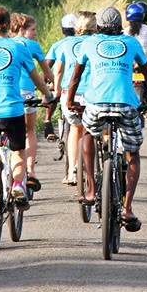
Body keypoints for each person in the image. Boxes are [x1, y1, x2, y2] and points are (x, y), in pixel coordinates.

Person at [66, 6, 147, 230]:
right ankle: (127, 208)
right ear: (120, 27)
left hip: (96, 105)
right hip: (127, 105)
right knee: (133, 155)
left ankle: (91, 189)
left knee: (89, 134)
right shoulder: (131, 43)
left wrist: (71, 101)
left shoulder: (89, 43)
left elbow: (75, 77)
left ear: (98, 27)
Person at [0, 6, 51, 207]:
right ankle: (17, 184)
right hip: (11, 110)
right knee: (17, 149)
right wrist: (48, 96)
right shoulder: (19, 48)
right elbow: (38, 81)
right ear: (8, 26)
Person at [54, 10, 96, 190]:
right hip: (92, 96)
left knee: (75, 129)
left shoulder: (65, 43)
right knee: (95, 130)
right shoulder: (96, 43)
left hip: (69, 95)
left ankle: (72, 171)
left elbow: (58, 71)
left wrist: (56, 90)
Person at [11, 12, 53, 191]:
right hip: (27, 92)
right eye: (33, 29)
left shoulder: (5, 44)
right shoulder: (32, 45)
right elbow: (46, 72)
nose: (35, 33)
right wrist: (52, 88)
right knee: (29, 131)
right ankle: (30, 171)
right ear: (22, 29)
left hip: (9, 93)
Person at [41, 13, 78, 141]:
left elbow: (47, 67)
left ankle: (47, 120)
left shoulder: (58, 45)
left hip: (62, 83)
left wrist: (43, 83)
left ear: (63, 30)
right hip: (81, 83)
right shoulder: (85, 42)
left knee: (52, 91)